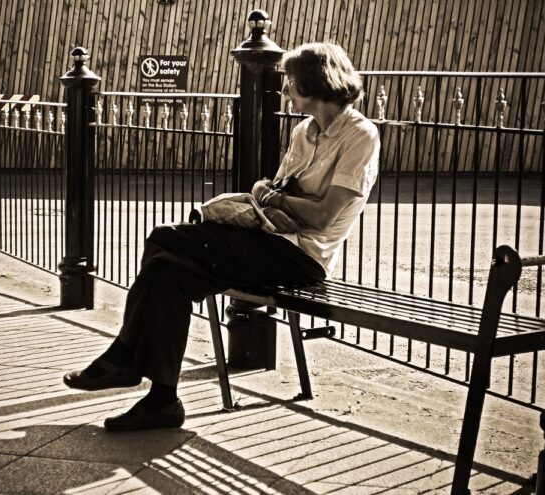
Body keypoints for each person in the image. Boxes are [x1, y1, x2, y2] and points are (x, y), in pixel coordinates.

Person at [63, 41, 380, 431]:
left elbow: (325, 214)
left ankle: (124, 355)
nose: (284, 91)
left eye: (290, 82)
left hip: (300, 258)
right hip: (264, 241)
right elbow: (276, 192)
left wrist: (278, 199)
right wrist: (276, 199)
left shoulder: (360, 135)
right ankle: (162, 401)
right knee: (166, 275)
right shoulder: (303, 131)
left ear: (316, 82)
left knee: (165, 237)